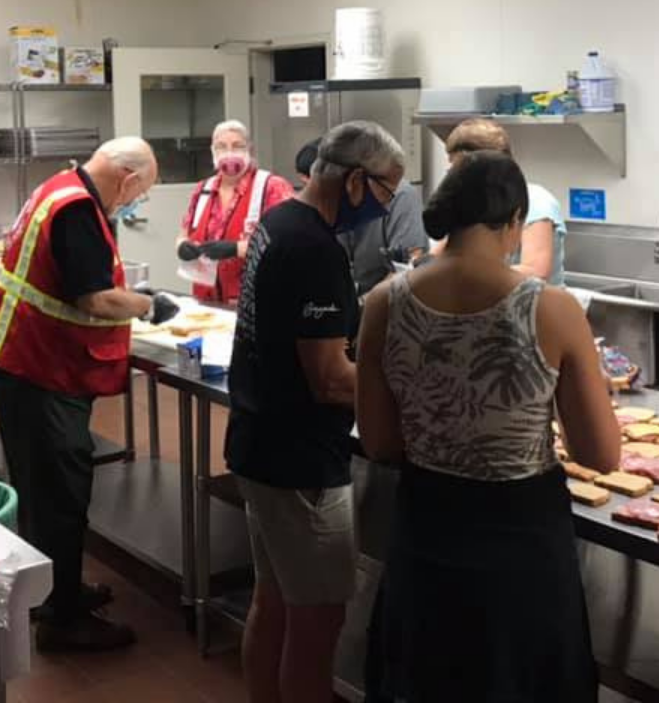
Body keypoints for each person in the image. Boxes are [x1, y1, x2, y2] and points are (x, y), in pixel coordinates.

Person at [357, 150, 620, 703]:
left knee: (428, 680)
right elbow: (599, 454)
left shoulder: (384, 302)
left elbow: (379, 442)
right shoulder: (551, 308)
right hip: (521, 541)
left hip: (426, 527)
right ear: (514, 221)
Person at [0, 138, 180, 652]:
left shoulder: (58, 188)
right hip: (40, 368)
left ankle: (52, 589)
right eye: (141, 192)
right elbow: (96, 299)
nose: (135, 202)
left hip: (25, 360)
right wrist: (148, 305)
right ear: (127, 178)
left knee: (41, 490)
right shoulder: (78, 210)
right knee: (58, 495)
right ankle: (62, 621)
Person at [226, 121, 405, 703]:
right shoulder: (314, 249)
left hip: (258, 441)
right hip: (300, 463)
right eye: (385, 191)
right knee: (318, 620)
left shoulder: (280, 221)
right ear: (355, 181)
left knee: (275, 601)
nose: (386, 207)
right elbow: (329, 379)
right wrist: (406, 391)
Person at [178, 120, 294, 305]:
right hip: (207, 301)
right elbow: (184, 234)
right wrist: (182, 246)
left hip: (256, 302)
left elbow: (288, 244)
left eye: (237, 146)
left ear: (250, 150)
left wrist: (236, 249)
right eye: (221, 147)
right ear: (213, 151)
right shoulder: (203, 189)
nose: (229, 153)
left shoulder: (272, 187)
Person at [296, 137, 428, 296]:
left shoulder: (400, 196)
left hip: (389, 300)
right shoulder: (323, 208)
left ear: (352, 178)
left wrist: (365, 303)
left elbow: (408, 266)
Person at [442, 118, 567, 284]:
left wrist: (471, 270)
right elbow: (443, 255)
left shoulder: (538, 202)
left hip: (534, 299)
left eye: (461, 170)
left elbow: (536, 271)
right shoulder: (471, 206)